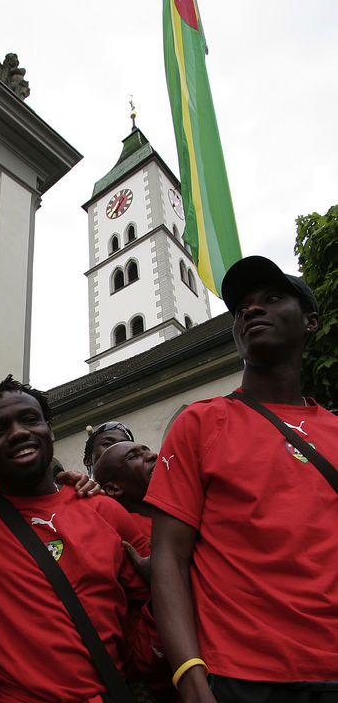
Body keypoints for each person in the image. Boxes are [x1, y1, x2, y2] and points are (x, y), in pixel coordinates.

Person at [145, 256, 338, 703]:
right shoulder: (199, 423)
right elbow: (168, 559)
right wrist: (190, 676)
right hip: (242, 679)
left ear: (310, 322)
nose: (251, 310)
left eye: (271, 299)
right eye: (241, 308)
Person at [0, 376, 160, 703]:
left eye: (29, 419)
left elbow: (147, 607)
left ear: (50, 429)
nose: (18, 432)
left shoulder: (104, 510)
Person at [93, 441, 158, 539]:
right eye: (133, 456)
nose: (153, 455)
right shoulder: (134, 537)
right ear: (113, 489)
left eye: (147, 450)